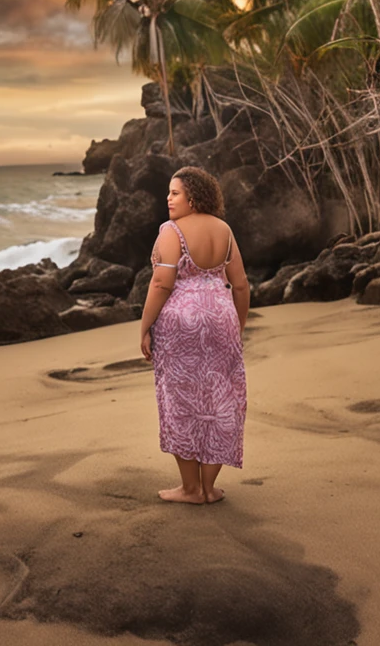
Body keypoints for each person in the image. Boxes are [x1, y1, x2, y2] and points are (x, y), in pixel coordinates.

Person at [140, 166, 249, 505]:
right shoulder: (224, 230)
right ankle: (209, 487)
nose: (168, 199)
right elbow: (241, 284)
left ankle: (190, 489)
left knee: (180, 400)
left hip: (180, 323)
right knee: (221, 399)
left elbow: (161, 283)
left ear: (193, 197)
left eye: (175, 193)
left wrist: (144, 326)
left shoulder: (171, 231)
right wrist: (238, 326)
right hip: (221, 316)